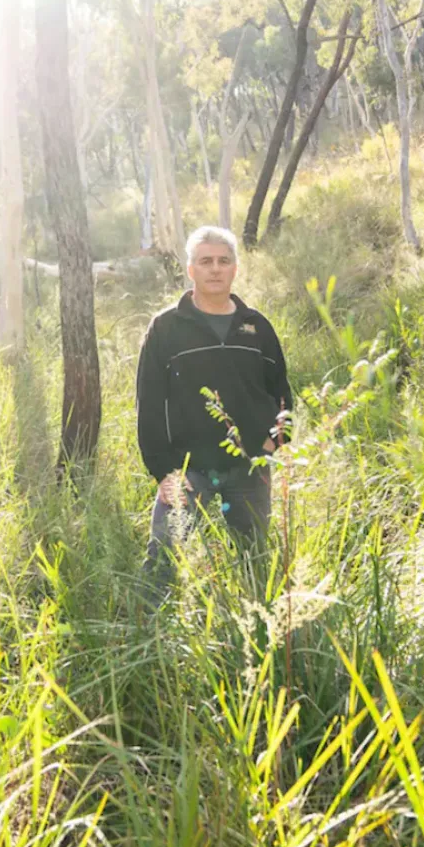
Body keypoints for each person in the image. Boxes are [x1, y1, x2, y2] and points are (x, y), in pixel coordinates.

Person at [135, 225, 293, 596]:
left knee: (255, 566)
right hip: (187, 472)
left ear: (235, 268)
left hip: (250, 467)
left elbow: (282, 394)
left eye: (224, 261)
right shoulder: (166, 328)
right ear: (190, 269)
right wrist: (164, 472)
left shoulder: (257, 326)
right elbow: (149, 405)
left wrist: (271, 448)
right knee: (162, 563)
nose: (215, 269)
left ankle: (255, 638)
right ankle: (152, 638)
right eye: (205, 261)